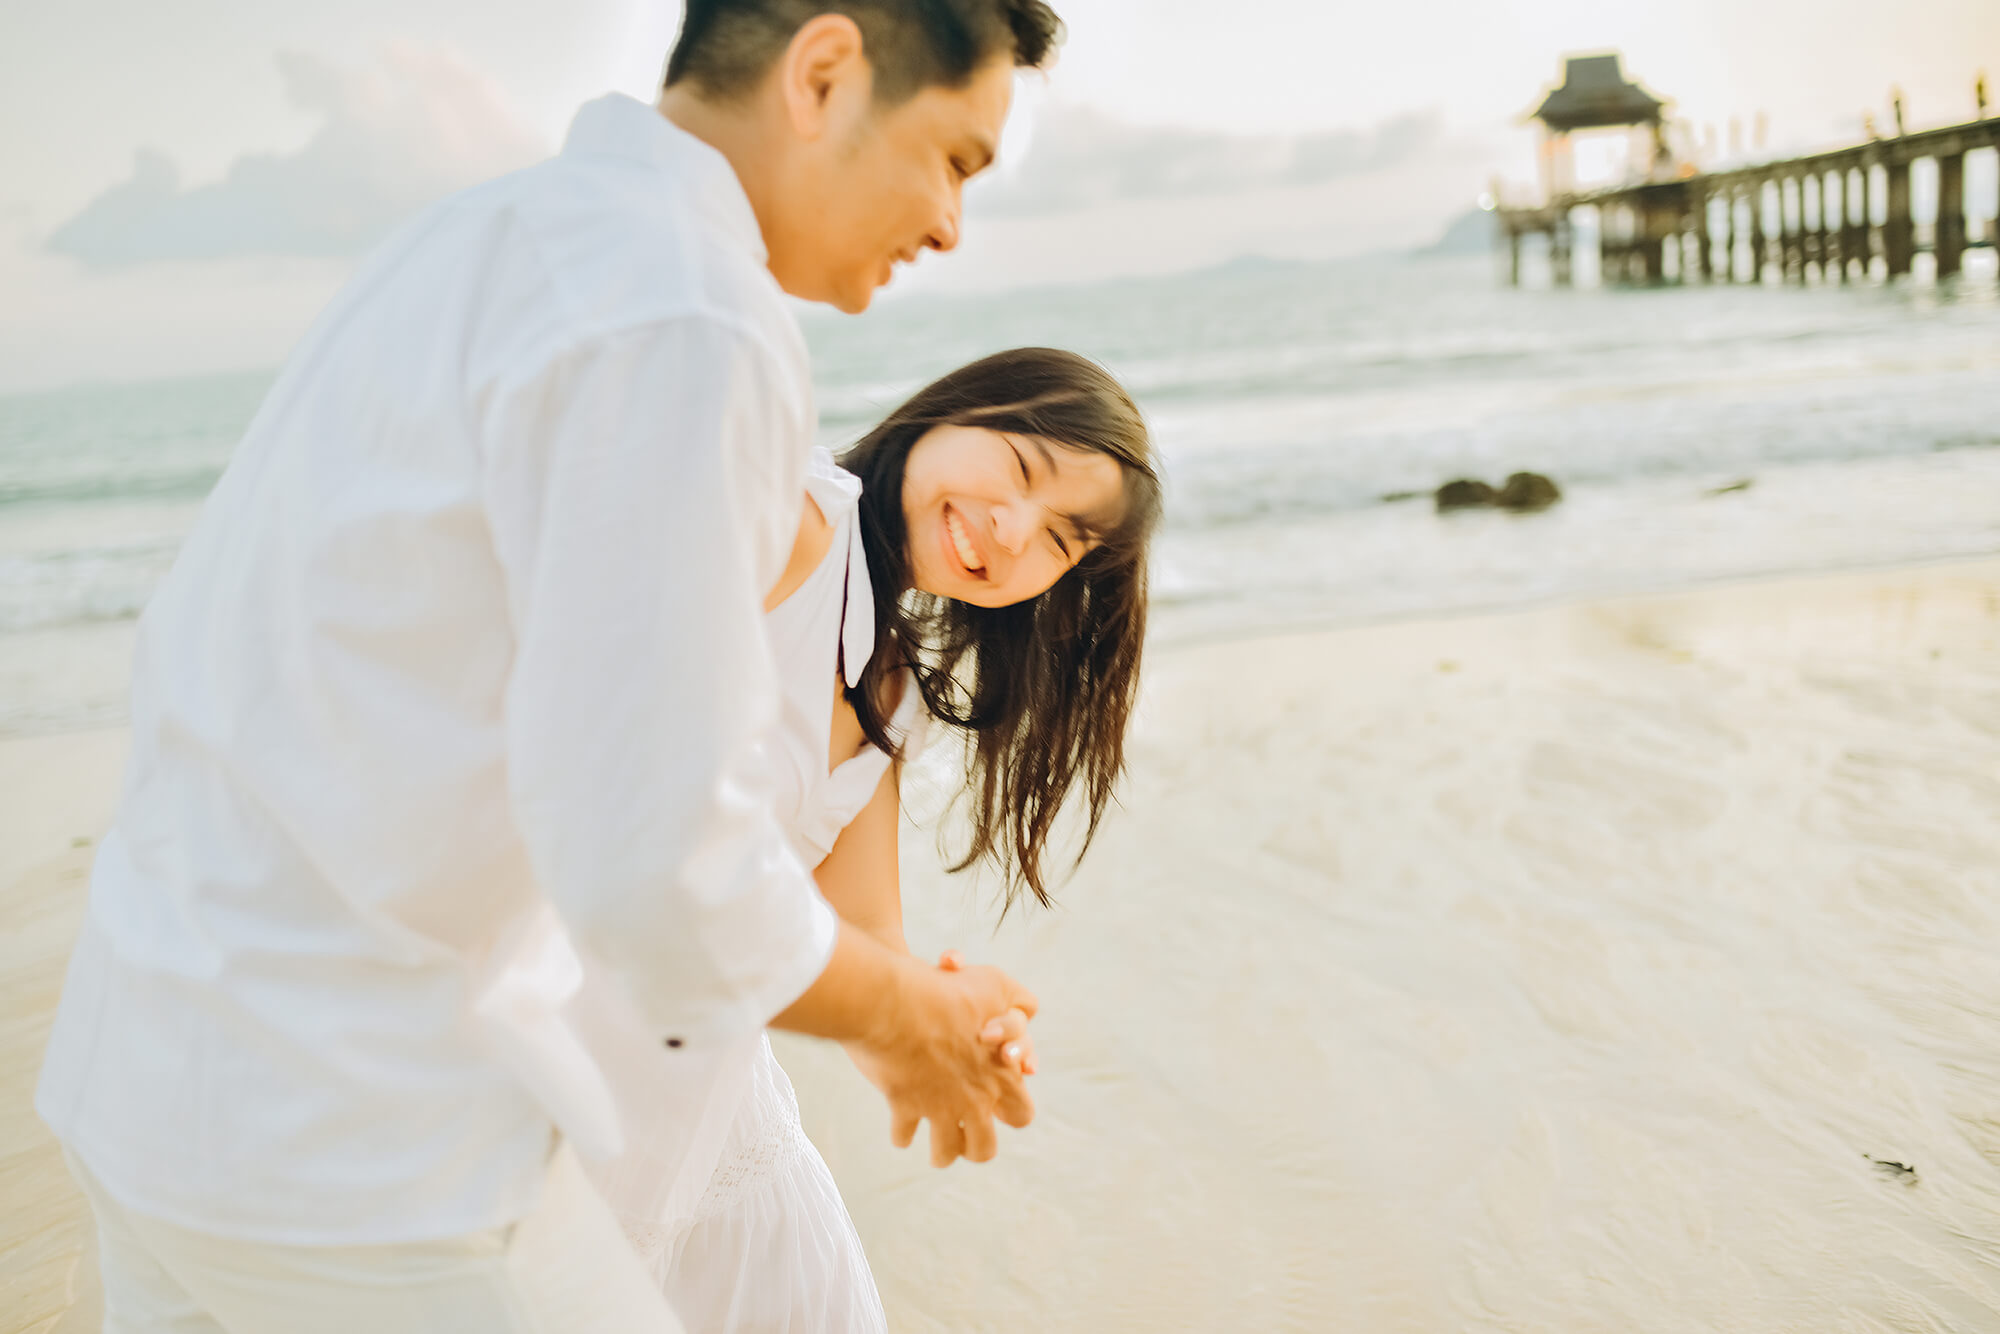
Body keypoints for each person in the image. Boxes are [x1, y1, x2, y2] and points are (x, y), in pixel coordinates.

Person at [36, 3, 1062, 1330]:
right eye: (955, 160)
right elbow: (658, 863)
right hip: (359, 1143)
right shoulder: (688, 316)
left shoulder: (473, 239)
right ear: (823, 74)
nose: (949, 226)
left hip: (146, 1070)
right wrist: (905, 1016)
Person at [549, 348, 1158, 1331]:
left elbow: (861, 930)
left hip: (703, 1103)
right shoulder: (785, 521)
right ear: (956, 412)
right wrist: (903, 1012)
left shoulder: (889, 693)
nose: (1010, 531)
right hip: (551, 1067)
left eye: (1058, 541)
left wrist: (939, 1032)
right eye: (1021, 472)